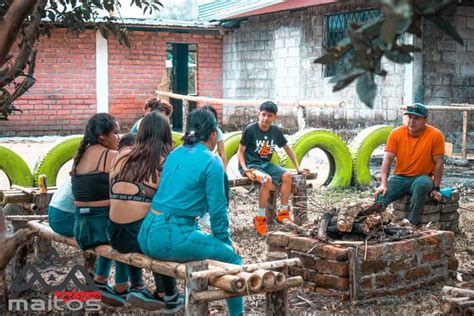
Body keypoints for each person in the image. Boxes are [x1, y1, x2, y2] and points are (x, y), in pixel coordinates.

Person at [138, 109, 244, 316]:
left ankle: (193, 307)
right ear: (214, 134)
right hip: (171, 236)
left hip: (146, 233)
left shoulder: (175, 153)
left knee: (197, 247)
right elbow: (218, 210)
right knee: (232, 258)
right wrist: (225, 241)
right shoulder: (212, 161)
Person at [107, 112, 182, 312]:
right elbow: (171, 202)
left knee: (140, 222)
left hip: (114, 234)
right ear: (166, 133)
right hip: (141, 237)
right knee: (160, 229)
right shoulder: (164, 161)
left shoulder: (121, 155)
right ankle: (170, 295)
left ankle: (138, 286)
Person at [71, 113, 131, 306]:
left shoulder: (80, 156)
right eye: (115, 133)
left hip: (81, 227)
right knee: (125, 232)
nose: (119, 137)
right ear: (102, 136)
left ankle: (101, 281)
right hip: (100, 227)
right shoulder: (111, 156)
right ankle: (123, 286)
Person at [237, 101, 307, 237]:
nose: (265, 118)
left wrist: (298, 167)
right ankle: (260, 218)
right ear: (259, 114)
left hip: (265, 164)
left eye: (269, 115)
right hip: (251, 165)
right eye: (263, 114)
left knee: (287, 176)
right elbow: (240, 152)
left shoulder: (275, 131)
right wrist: (245, 169)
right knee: (266, 179)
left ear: (275, 117)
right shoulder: (250, 130)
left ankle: (283, 212)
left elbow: (288, 149)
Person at [374, 103, 445, 225]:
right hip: (400, 177)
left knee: (422, 185)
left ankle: (411, 223)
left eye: (416, 118)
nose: (412, 121)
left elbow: (439, 162)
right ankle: (374, 222)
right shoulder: (396, 133)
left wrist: (436, 188)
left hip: (422, 177)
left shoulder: (435, 135)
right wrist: (383, 184)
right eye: (410, 117)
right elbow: (387, 159)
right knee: (380, 196)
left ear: (425, 120)